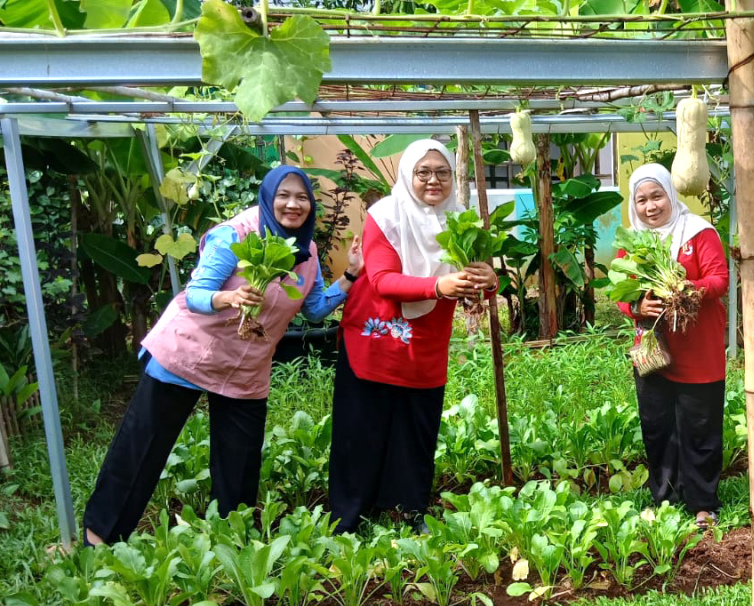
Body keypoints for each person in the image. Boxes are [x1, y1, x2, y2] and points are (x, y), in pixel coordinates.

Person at [82, 165, 362, 546]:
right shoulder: (236, 234)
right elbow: (196, 295)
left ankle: (231, 546)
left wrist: (350, 276)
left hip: (245, 368)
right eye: (283, 195)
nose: (293, 205)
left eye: (302, 197)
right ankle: (98, 538)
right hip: (188, 353)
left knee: (239, 465)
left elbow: (313, 310)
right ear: (268, 197)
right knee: (143, 447)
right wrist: (229, 297)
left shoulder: (307, 252)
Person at [329, 139, 497, 534]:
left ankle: (408, 511)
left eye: (442, 172)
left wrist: (489, 281)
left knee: (417, 428)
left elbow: (474, 279)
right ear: (408, 174)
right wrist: (439, 286)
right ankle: (348, 520)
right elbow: (382, 280)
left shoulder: (461, 219)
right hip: (377, 336)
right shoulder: (385, 215)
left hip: (426, 340)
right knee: (361, 430)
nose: (433, 180)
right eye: (423, 172)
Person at [618, 164, 729, 528]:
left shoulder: (698, 232)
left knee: (700, 428)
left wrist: (687, 290)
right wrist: (638, 307)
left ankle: (703, 504)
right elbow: (620, 292)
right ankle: (665, 499)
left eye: (657, 196)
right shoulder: (632, 242)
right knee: (657, 428)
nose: (650, 206)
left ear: (671, 194)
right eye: (642, 200)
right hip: (654, 352)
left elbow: (719, 279)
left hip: (698, 350)